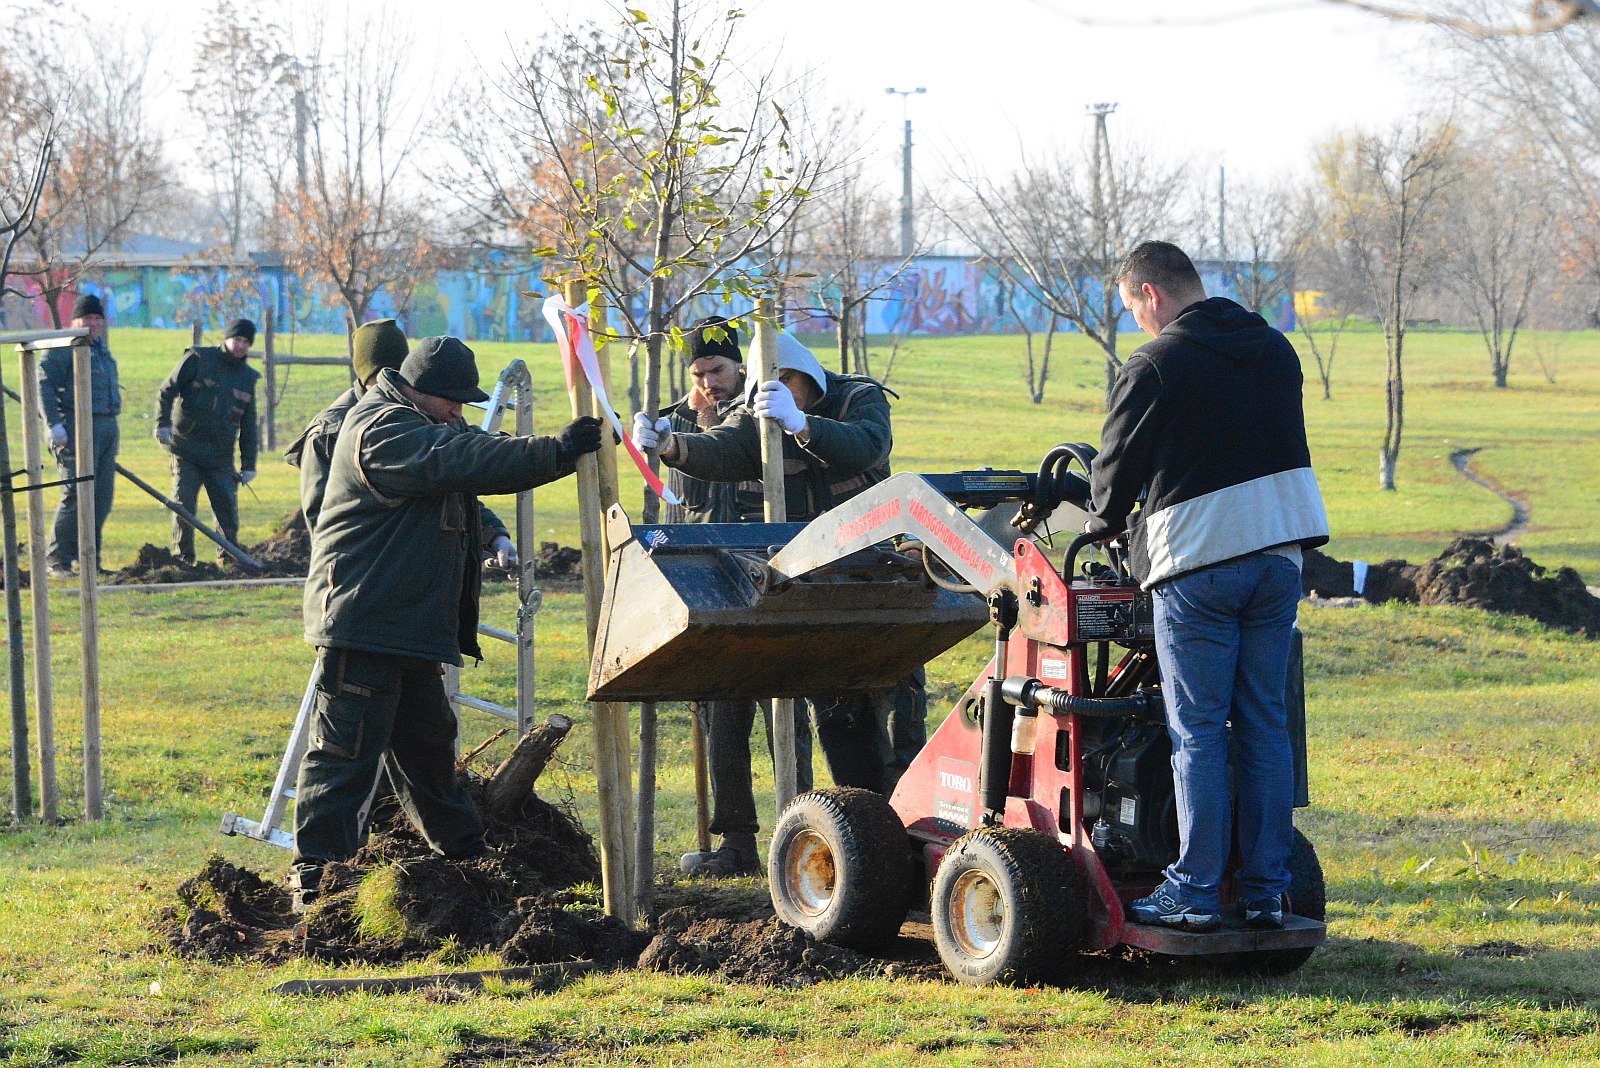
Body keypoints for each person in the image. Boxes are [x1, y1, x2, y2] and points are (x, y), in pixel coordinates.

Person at [290, 335, 603, 909]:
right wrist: (555, 451)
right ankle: (316, 883)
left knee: (428, 755)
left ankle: (468, 861)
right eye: (453, 400)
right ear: (419, 390)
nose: (460, 411)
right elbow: (462, 459)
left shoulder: (420, 422)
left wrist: (499, 521)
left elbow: (470, 456)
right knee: (343, 758)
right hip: (365, 623)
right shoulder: (383, 428)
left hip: (403, 626)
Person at [1085, 241, 1329, 932]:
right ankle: (1265, 891)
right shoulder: (1275, 350)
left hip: (1200, 568)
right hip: (1279, 558)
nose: (1135, 321)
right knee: (1264, 725)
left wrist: (1102, 521)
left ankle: (1192, 890)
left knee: (1197, 733)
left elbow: (1113, 480)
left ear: (1151, 294)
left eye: (1132, 307)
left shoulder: (1155, 364)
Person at [633, 329, 901, 797]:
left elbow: (867, 445)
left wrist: (803, 426)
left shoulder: (858, 398)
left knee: (891, 714)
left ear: (807, 375)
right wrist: (672, 446)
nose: (776, 392)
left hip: (871, 575)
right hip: (807, 580)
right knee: (832, 708)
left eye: (786, 380)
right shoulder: (756, 413)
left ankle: (901, 817)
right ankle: (858, 817)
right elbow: (725, 449)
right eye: (764, 383)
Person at [662, 316, 813, 877]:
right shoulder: (676, 422)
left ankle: (801, 832)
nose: (709, 384)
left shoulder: (761, 413)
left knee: (785, 712)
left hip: (764, 575)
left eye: (719, 371)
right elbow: (672, 506)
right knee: (722, 717)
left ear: (740, 368)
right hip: (707, 582)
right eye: (699, 373)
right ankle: (736, 842)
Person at [284, 317, 514, 573]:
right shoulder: (330, 432)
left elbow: (450, 489)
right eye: (380, 377)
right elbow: (323, 522)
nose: (392, 386)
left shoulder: (427, 412)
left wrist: (492, 533)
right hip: (368, 576)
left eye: (397, 375)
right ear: (365, 378)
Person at [153, 317, 261, 562]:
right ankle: (184, 558)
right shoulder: (199, 359)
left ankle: (229, 558)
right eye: (237, 339)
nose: (241, 345)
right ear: (227, 338)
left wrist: (249, 465)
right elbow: (166, 390)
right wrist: (162, 423)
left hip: (220, 457)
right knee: (184, 506)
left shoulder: (248, 378)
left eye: (246, 342)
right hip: (186, 449)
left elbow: (248, 425)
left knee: (227, 509)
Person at [38, 292, 121, 576]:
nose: (93, 323)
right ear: (75, 320)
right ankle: (56, 559)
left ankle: (88, 560)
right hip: (74, 427)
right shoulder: (63, 347)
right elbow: (44, 385)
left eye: (97, 318)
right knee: (75, 494)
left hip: (106, 428)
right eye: (87, 317)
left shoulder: (101, 350)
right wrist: (53, 424)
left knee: (101, 499)